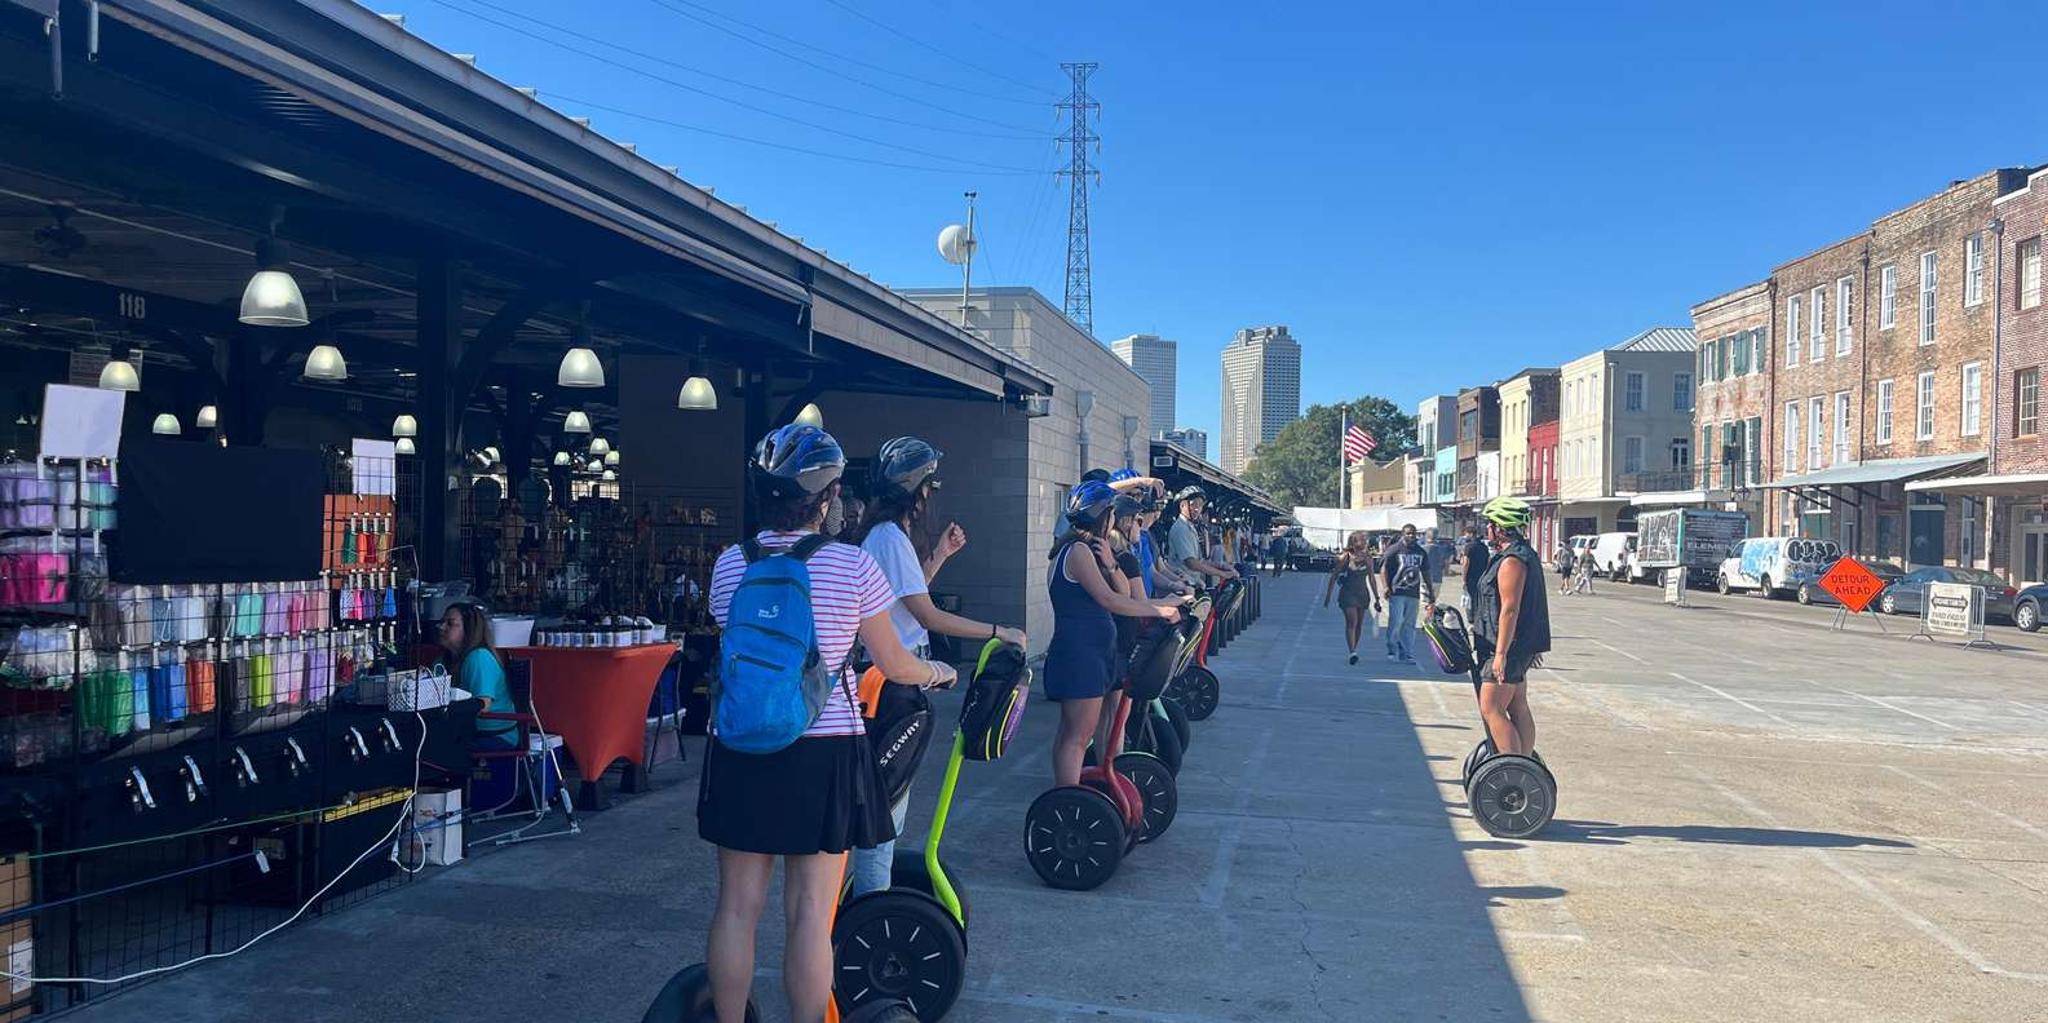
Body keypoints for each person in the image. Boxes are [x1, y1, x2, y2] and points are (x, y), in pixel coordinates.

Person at [699, 424, 956, 1023]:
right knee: (810, 915)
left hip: (739, 747)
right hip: (824, 750)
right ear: (828, 495)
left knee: (736, 908)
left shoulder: (730, 564)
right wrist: (938, 670)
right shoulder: (852, 565)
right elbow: (893, 664)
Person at [849, 437, 1025, 899]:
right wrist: (997, 631)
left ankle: (869, 902)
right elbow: (926, 616)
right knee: (884, 813)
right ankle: (870, 910)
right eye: (931, 485)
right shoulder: (888, 537)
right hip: (890, 684)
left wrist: (940, 555)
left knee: (889, 805)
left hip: (891, 682)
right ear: (918, 491)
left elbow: (908, 601)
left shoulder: (887, 536)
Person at [1044, 482, 1181, 789]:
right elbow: (1110, 600)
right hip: (1081, 653)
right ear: (1103, 516)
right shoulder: (1077, 551)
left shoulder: (1087, 551)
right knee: (1077, 737)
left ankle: (1073, 794)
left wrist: (1110, 562)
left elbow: (1122, 591)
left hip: (1090, 652)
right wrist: (1158, 611)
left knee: (1075, 733)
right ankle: (1067, 800)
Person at [1465, 496, 1551, 756]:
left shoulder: (1512, 561)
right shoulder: (1523, 555)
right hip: (1518, 644)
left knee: (1491, 708)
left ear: (1501, 527)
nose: (1486, 529)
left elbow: (1510, 609)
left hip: (1505, 646)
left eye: (1490, 524)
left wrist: (1500, 655)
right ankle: (1524, 764)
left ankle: (1513, 768)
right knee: (1516, 705)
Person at [437, 602, 516, 749]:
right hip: (463, 732)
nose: (442, 627)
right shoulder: (443, 660)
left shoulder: (479, 658)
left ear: (469, 630)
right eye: (442, 622)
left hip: (494, 735)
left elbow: (483, 704)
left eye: (450, 624)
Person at [1379, 524, 1437, 663]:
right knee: (1396, 621)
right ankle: (1392, 650)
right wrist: (1386, 586)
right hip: (1397, 591)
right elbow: (1383, 568)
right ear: (1402, 534)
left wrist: (1430, 590)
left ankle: (1407, 653)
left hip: (1413, 593)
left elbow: (1426, 572)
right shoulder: (1395, 550)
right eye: (1408, 533)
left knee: (1410, 624)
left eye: (1413, 533)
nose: (1411, 536)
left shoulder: (1420, 551)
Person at [1322, 530, 1380, 665]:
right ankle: (1352, 651)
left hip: (1362, 594)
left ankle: (1354, 648)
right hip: (1348, 594)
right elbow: (1334, 576)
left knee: (1359, 624)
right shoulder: (1345, 557)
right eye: (1361, 540)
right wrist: (1328, 596)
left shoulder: (1368, 558)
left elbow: (1371, 578)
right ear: (1353, 542)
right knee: (1351, 622)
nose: (1364, 542)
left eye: (1365, 540)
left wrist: (1377, 597)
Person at [1166, 487, 1239, 588]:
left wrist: (1221, 566)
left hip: (1192, 583)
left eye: (1200, 505)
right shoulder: (1181, 528)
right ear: (1182, 505)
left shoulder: (1190, 527)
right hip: (1182, 585)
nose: (1197, 509)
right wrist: (1222, 574)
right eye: (1193, 504)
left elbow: (1200, 561)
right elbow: (1192, 563)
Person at [1459, 525, 1491, 617]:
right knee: (1479, 598)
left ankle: (1471, 618)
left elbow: (1466, 563)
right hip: (1482, 576)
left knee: (1470, 598)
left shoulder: (1468, 547)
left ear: (1471, 534)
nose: (1465, 537)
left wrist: (1464, 578)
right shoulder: (1484, 546)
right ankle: (1479, 616)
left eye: (1466, 534)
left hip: (1471, 577)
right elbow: (1488, 560)